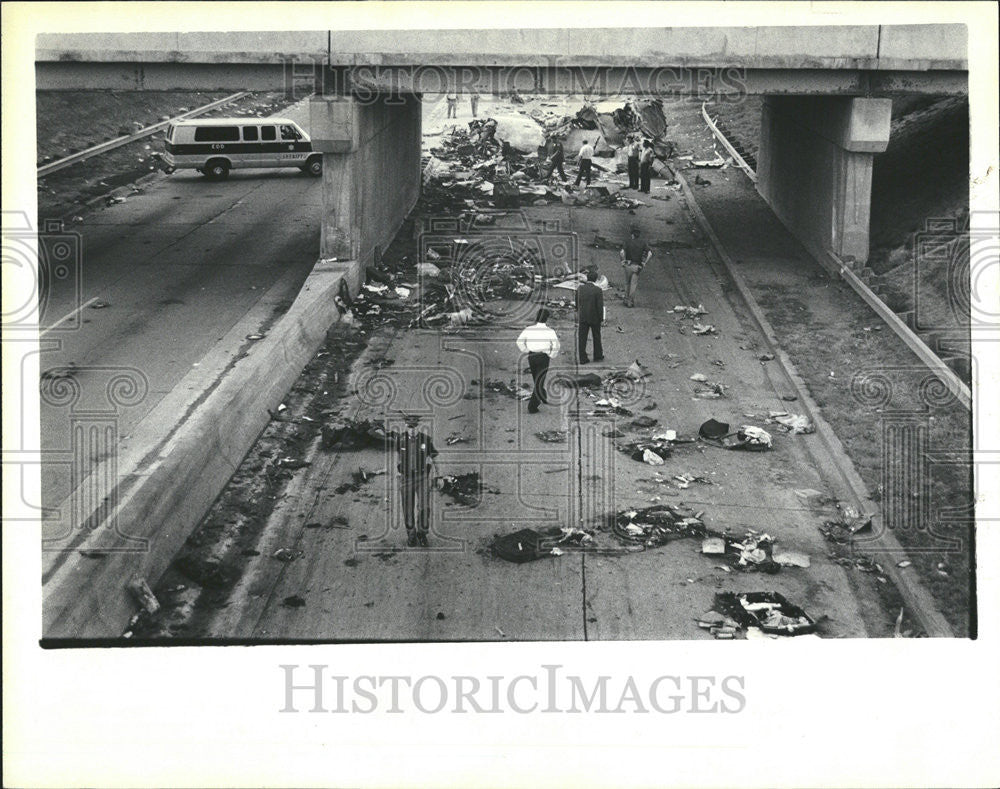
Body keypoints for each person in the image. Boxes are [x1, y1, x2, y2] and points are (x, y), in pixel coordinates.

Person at [390, 414, 439, 547]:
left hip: (422, 478)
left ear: (418, 426)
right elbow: (397, 456)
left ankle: (422, 534)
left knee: (424, 507)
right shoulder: (400, 440)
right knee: (408, 508)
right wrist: (397, 472)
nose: (412, 429)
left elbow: (433, 457)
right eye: (409, 426)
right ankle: (411, 535)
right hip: (406, 479)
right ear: (405, 426)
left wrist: (437, 475)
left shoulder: (426, 440)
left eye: (414, 426)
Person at [516, 308, 561, 413]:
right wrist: (551, 354)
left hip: (532, 356)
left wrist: (526, 350)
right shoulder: (550, 331)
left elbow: (519, 341)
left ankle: (543, 396)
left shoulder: (529, 329)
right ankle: (532, 406)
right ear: (547, 319)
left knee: (537, 379)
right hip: (543, 357)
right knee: (539, 381)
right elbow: (556, 345)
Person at [576, 269, 605, 364]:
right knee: (596, 336)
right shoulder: (598, 290)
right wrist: (601, 318)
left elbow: (577, 303)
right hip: (595, 317)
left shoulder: (580, 289)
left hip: (583, 316)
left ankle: (582, 358)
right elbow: (599, 306)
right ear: (596, 279)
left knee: (582, 338)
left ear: (587, 278)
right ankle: (598, 355)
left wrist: (579, 312)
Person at [620, 227, 652, 308]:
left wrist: (623, 261)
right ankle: (630, 301)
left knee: (627, 283)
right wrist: (644, 262)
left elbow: (622, 252)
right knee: (633, 284)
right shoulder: (643, 243)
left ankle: (626, 299)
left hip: (628, 265)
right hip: (637, 266)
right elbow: (650, 253)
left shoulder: (627, 242)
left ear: (632, 235)